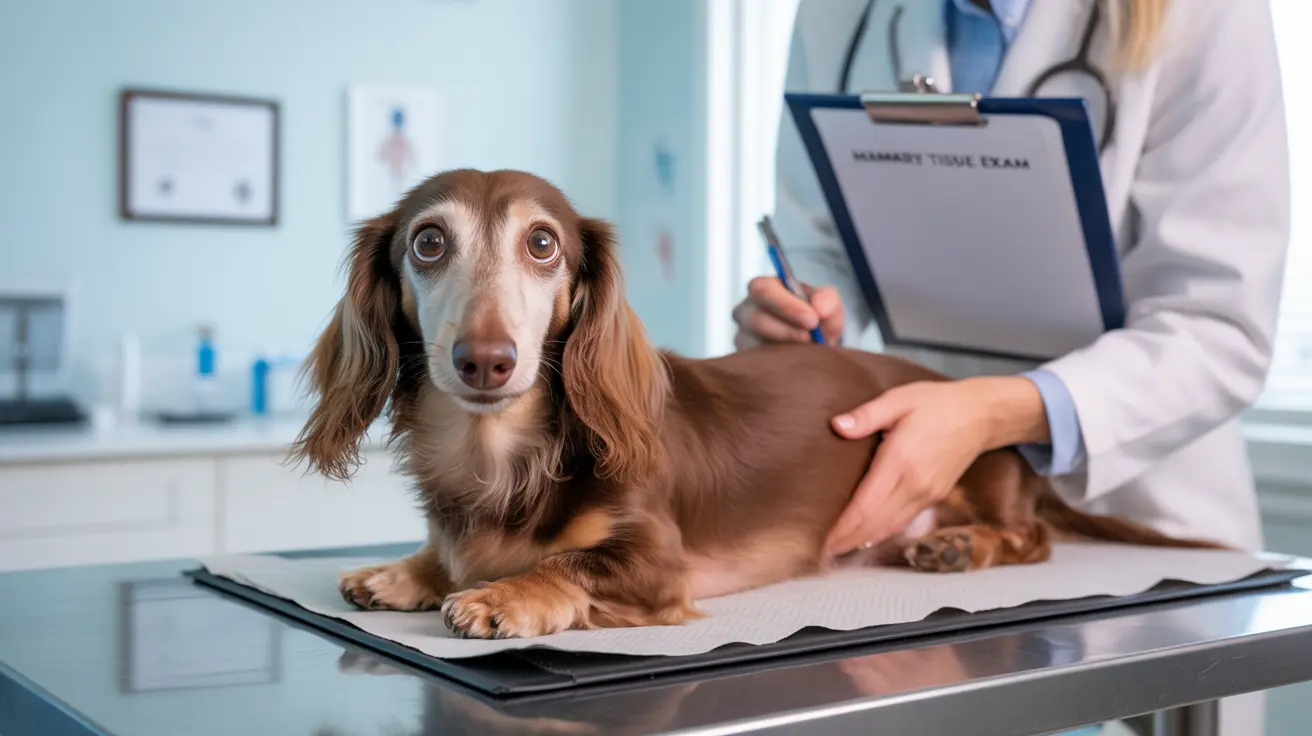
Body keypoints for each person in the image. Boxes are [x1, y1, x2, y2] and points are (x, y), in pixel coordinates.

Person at [732, 1, 1290, 734]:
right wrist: (798, 309)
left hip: (1140, 508)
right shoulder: (840, 12)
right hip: (924, 514)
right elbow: (817, 243)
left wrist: (990, 412)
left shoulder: (1207, 15)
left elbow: (1218, 327)